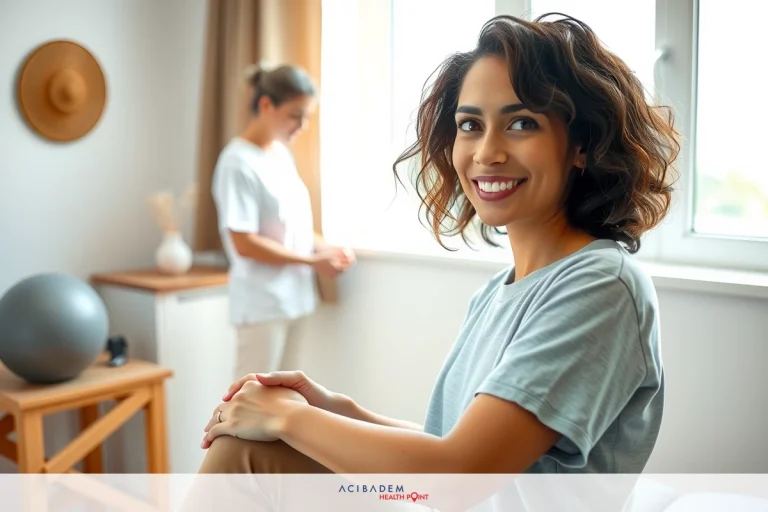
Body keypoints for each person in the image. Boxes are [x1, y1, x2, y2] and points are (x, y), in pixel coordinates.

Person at [199, 12, 680, 480]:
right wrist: (333, 407)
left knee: (247, 450)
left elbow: (458, 474)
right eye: (471, 125)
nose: (486, 152)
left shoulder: (600, 285)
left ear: (581, 144)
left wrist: (289, 418)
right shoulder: (498, 291)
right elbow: (449, 444)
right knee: (245, 447)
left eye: (522, 123)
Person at [211, 63, 355, 380]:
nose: (302, 126)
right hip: (262, 303)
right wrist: (312, 261)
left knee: (284, 401)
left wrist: (327, 249)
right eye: (295, 115)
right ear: (266, 105)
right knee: (248, 400)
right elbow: (244, 242)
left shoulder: (280, 155)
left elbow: (293, 229)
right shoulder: (237, 162)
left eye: (307, 117)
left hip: (294, 299)